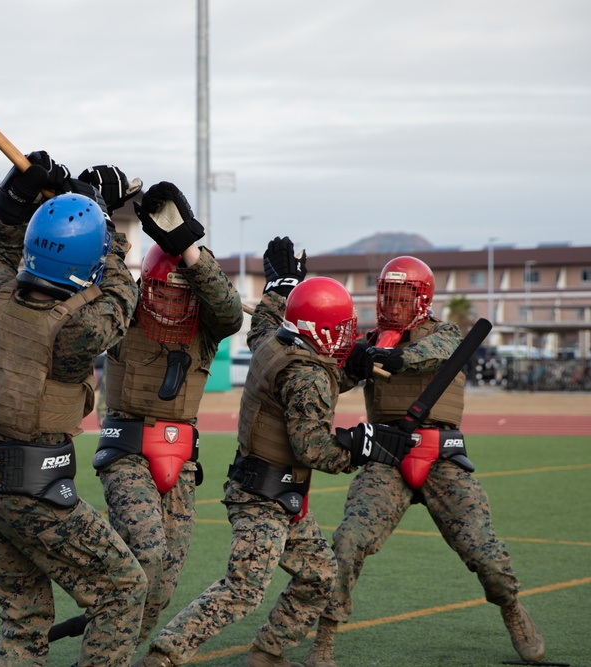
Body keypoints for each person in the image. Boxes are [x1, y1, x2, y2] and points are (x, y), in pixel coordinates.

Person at [135, 240, 416, 667]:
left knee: (319, 575)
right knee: (244, 589)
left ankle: (267, 653)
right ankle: (164, 654)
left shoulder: (272, 341)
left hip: (274, 492)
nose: (346, 337)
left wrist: (283, 286)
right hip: (264, 496)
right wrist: (366, 447)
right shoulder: (307, 376)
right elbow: (314, 447)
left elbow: (266, 319)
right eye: (340, 329)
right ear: (319, 331)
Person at [306, 256, 545, 667]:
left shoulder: (446, 333)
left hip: (441, 457)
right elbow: (328, 379)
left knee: (483, 551)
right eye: (387, 295)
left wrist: (390, 356)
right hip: (386, 455)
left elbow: (429, 355)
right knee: (347, 542)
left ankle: (512, 608)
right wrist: (348, 359)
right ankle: (323, 641)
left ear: (422, 299)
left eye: (403, 297)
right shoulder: (369, 342)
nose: (393, 305)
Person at [0, 151, 147, 667]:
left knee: (24, 617)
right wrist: (105, 221)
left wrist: (13, 209)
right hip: (30, 488)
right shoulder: (77, 329)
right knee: (124, 590)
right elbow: (120, 296)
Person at [74, 174, 244, 645]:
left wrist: (188, 248)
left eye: (180, 293)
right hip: (126, 449)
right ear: (145, 287)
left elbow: (229, 312)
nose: (170, 301)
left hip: (181, 459)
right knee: (144, 556)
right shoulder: (125, 314)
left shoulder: (205, 328)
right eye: (162, 290)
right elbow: (94, 285)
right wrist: (103, 226)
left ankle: (110, 651)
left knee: (162, 588)